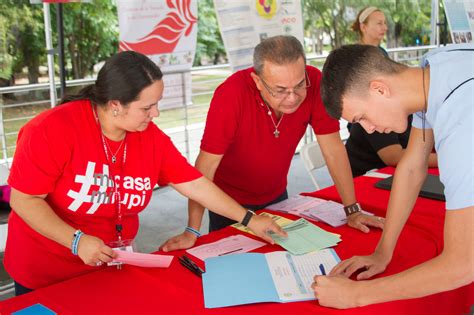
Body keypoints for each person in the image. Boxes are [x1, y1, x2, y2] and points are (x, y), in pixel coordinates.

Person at [4, 51, 286, 296]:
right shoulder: (52, 130)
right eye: (147, 107)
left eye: (157, 103)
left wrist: (249, 219)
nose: (156, 114)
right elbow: (24, 200)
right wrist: (75, 241)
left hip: (109, 263)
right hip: (46, 271)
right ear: (115, 105)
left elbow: (194, 183)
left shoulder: (148, 138)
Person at [161, 35, 384, 252]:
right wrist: (192, 230)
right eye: (279, 90)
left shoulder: (315, 82)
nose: (292, 97)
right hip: (228, 204)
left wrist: (352, 210)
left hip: (277, 196)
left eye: (299, 85)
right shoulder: (230, 95)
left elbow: (334, 150)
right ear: (257, 81)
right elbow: (204, 169)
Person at [313, 44, 473, 308]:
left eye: (362, 117)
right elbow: (412, 166)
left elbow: (463, 263)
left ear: (380, 89)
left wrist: (356, 295)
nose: (369, 129)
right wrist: (382, 252)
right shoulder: (431, 72)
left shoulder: (463, 120)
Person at [346, 115, 438, 177]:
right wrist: (446, 159)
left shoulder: (419, 109)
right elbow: (394, 157)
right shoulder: (377, 112)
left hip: (402, 172)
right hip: (370, 177)